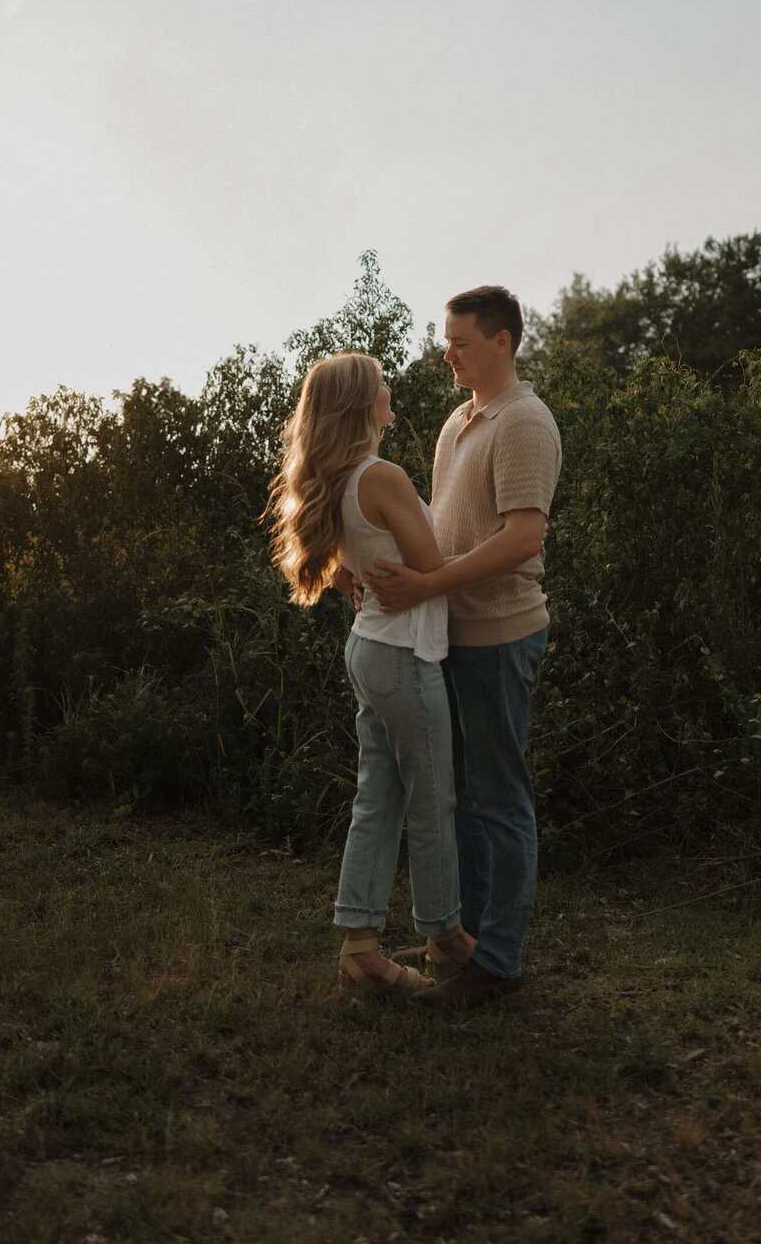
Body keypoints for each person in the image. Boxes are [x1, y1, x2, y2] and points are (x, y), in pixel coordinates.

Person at [364, 286, 561, 1012]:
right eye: (445, 340)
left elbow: (523, 537)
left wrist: (430, 584)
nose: (447, 352)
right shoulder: (458, 422)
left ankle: (500, 963)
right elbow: (443, 529)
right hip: (450, 632)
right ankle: (471, 941)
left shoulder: (524, 422)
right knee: (466, 798)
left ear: (503, 342)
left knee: (501, 797)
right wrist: (394, 576)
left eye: (462, 342)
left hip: (502, 635)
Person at [268, 351, 475, 996]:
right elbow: (431, 561)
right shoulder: (380, 476)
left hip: (369, 650)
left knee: (377, 799)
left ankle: (360, 948)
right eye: (382, 385)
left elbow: (344, 561)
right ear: (364, 404)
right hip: (405, 659)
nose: (391, 391)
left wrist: (353, 573)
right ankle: (445, 938)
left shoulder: (338, 475)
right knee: (433, 798)